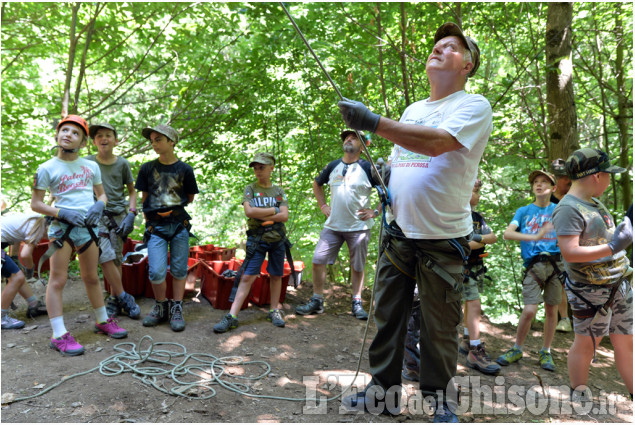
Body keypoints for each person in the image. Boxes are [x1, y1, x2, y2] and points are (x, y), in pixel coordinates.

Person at [337, 22, 490, 422]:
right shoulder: (413, 110)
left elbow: (437, 143)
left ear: (468, 65)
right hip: (399, 233)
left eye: (450, 47)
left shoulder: (473, 106)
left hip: (443, 238)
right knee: (389, 315)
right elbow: (408, 155)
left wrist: (371, 121)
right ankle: (381, 394)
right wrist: (389, 178)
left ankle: (440, 401)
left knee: (439, 326)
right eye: (436, 45)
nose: (438, 49)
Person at [31, 114, 128, 356]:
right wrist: (62, 212)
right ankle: (58, 334)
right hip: (62, 230)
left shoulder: (90, 166)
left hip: (89, 228)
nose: (68, 135)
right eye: (64, 130)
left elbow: (102, 195)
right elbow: (36, 204)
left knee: (92, 277)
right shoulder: (46, 168)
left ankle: (102, 320)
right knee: (58, 279)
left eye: (75, 133)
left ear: (83, 142)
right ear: (57, 135)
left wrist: (99, 205)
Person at [552, 148, 632, 399]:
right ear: (597, 176)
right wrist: (613, 246)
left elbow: (601, 236)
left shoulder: (593, 201)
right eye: (608, 174)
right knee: (588, 343)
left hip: (619, 282)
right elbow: (570, 252)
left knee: (627, 343)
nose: (610, 180)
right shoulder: (567, 208)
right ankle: (579, 393)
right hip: (590, 291)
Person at [295, 130, 381, 320]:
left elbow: (388, 191)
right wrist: (323, 205)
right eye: (346, 137)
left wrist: (375, 212)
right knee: (318, 260)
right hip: (333, 226)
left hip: (358, 228)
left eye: (354, 137)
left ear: (363, 145)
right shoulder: (333, 166)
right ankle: (317, 301)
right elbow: (317, 184)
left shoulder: (368, 168)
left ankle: (356, 303)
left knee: (357, 266)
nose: (349, 139)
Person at [213, 152, 290, 333]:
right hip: (257, 239)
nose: (257, 171)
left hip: (277, 239)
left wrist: (261, 211)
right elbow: (249, 212)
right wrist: (273, 210)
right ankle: (232, 316)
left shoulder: (278, 191)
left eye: (261, 167)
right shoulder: (250, 189)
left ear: (271, 168)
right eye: (255, 167)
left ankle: (274, 310)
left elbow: (284, 216)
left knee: (276, 274)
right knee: (248, 276)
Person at [496, 170, 562, 372]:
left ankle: (546, 350)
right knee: (530, 310)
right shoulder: (523, 211)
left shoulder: (559, 211)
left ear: (553, 188)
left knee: (552, 310)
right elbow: (507, 234)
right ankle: (517, 348)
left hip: (556, 266)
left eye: (544, 182)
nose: (539, 185)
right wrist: (534, 237)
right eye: (535, 182)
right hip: (533, 266)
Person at [136, 124, 199, 332]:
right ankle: (161, 305)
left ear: (171, 142)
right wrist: (149, 221)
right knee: (156, 271)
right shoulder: (146, 169)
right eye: (152, 140)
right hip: (156, 227)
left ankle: (177, 307)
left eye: (158, 139)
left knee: (180, 269)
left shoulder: (185, 170)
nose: (154, 144)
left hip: (179, 225)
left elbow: (189, 198)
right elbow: (144, 198)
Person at [85, 123, 140, 319]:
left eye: (108, 135)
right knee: (105, 256)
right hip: (96, 216)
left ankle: (115, 298)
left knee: (116, 258)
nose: (104, 138)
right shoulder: (87, 162)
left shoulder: (122, 164)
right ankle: (122, 296)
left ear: (116, 140)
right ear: (93, 141)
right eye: (99, 135)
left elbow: (132, 191)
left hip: (118, 216)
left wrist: (132, 213)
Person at [459, 179, 500, 375]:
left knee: (470, 303)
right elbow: (463, 244)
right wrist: (478, 241)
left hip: (473, 268)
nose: (478, 195)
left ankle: (468, 339)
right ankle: (475, 349)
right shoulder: (457, 215)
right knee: (473, 304)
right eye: (475, 190)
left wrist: (477, 239)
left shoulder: (477, 217)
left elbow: (492, 237)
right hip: (459, 267)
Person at [1, 212, 49, 318]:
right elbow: (26, 255)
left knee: (16, 275)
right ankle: (2, 317)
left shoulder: (34, 219)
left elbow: (16, 235)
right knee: (17, 277)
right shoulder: (38, 228)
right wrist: (30, 269)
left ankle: (34, 304)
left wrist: (14, 257)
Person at [550, 158, 573, 333]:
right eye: (562, 176)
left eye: (566, 176)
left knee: (565, 282)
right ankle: (555, 319)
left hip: (569, 247)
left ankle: (566, 319)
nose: (566, 180)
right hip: (548, 247)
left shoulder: (573, 198)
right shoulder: (546, 198)